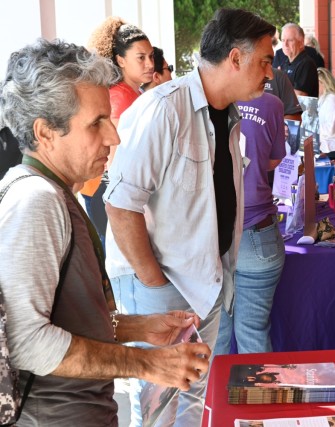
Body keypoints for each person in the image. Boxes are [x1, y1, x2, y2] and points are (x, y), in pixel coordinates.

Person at [0, 38, 210, 426]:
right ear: (45, 132)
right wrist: (146, 363)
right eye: (97, 122)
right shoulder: (36, 201)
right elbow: (26, 342)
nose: (113, 137)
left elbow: (63, 319)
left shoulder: (54, 193)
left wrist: (138, 326)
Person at [104, 8, 275, 426]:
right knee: (160, 409)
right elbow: (120, 202)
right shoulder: (163, 109)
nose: (270, 73)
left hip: (210, 280)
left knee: (197, 395)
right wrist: (154, 282)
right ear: (235, 58)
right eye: (265, 61)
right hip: (164, 286)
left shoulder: (230, 115)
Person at [214, 92, 286, 356]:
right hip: (258, 232)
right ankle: (258, 395)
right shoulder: (271, 104)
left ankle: (214, 398)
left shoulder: (206, 100)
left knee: (216, 336)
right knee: (253, 331)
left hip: (215, 235)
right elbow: (275, 159)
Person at [80, 17, 154, 244]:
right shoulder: (121, 96)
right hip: (107, 191)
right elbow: (114, 160)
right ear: (121, 60)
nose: (150, 64)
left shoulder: (132, 93)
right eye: (141, 58)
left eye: (151, 57)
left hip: (108, 190)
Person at [278, 23, 318, 97]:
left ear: (301, 43)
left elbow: (299, 96)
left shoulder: (306, 63)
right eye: (283, 40)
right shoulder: (285, 63)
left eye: (290, 40)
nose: (285, 44)